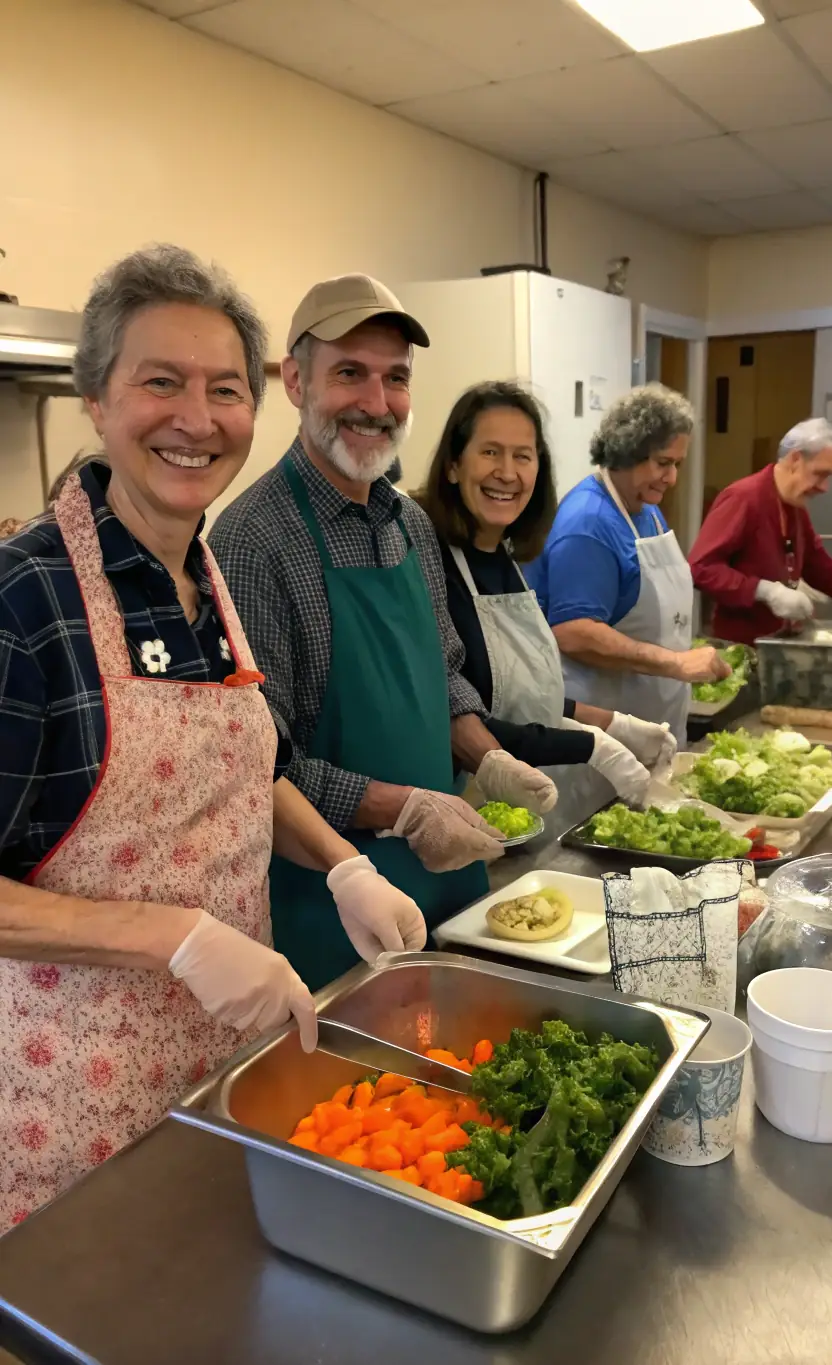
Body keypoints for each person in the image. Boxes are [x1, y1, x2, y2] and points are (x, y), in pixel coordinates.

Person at [0, 245, 422, 1232]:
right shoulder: (26, 602)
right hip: (75, 1127)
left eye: (223, 388)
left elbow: (237, 770)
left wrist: (343, 864)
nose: (196, 419)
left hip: (224, 1073)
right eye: (160, 383)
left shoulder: (203, 577)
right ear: (97, 401)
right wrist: (174, 937)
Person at [209, 274, 556, 992]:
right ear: (296, 381)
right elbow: (259, 766)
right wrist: (405, 809)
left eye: (395, 378)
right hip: (337, 901)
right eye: (350, 374)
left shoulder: (410, 522)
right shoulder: (252, 541)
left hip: (450, 883)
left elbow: (446, 676)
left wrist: (489, 759)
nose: (376, 403)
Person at [414, 381, 679, 805]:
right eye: (489, 452)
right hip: (461, 804)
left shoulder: (506, 557)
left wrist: (615, 724)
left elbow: (526, 700)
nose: (507, 472)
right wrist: (592, 747)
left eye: (523, 455)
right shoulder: (427, 563)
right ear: (452, 465)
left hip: (524, 801)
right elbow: (453, 717)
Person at [530, 384, 728, 744]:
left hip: (652, 722)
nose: (672, 478)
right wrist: (676, 662)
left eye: (677, 465)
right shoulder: (588, 524)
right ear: (626, 452)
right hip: (602, 734)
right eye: (663, 463)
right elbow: (573, 632)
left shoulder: (647, 511)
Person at [689, 418, 832, 645]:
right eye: (820, 474)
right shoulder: (744, 498)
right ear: (796, 459)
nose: (824, 487)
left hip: (781, 644)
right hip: (741, 651)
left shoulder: (794, 505)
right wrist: (764, 591)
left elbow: (823, 570)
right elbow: (700, 568)